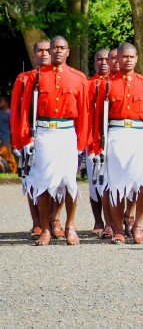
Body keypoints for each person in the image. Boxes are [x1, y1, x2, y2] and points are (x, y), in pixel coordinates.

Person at [20, 36, 89, 246]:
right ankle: (45, 229)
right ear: (49, 51)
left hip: (67, 133)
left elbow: (84, 113)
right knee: (43, 183)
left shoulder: (78, 78)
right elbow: (25, 111)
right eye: (54, 48)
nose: (58, 51)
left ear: (68, 51)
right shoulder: (37, 76)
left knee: (69, 182)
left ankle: (70, 225)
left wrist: (81, 144)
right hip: (44, 134)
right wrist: (26, 138)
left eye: (62, 48)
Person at [93, 42, 143, 244]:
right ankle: (118, 229)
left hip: (139, 135)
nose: (128, 60)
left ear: (137, 59)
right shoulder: (106, 84)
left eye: (131, 57)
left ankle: (138, 225)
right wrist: (97, 145)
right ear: (117, 59)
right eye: (124, 57)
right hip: (115, 134)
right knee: (115, 186)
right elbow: (98, 118)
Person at [11, 39, 51, 239]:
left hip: (52, 133)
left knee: (57, 181)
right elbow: (17, 113)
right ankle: (37, 222)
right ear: (33, 54)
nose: (44, 54)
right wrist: (19, 140)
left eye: (47, 50)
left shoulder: (58, 77)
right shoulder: (24, 79)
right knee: (32, 179)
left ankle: (55, 220)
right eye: (40, 51)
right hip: (30, 136)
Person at [86, 49, 111, 237]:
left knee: (111, 182)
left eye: (106, 59)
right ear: (94, 62)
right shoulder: (88, 84)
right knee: (94, 182)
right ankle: (98, 220)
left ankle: (115, 221)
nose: (103, 62)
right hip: (92, 140)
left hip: (113, 137)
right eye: (99, 59)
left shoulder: (116, 83)